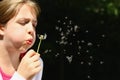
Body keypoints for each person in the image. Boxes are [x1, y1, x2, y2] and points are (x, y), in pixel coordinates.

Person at [0, 0, 43, 80]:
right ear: (1, 29)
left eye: (34, 25)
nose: (31, 30)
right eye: (23, 22)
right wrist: (21, 77)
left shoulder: (35, 63)